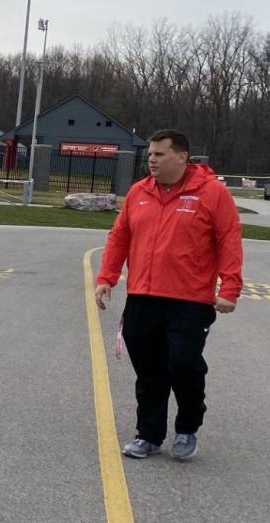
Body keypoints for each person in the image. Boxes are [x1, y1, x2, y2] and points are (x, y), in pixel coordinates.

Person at [95, 129, 243, 461]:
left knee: (183, 363)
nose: (152, 159)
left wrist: (230, 288)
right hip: (143, 296)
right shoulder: (139, 192)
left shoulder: (212, 193)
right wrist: (106, 278)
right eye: (150, 154)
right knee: (149, 371)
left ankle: (188, 427)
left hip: (190, 301)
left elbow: (229, 240)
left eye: (160, 154)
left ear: (182, 157)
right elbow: (119, 237)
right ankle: (148, 434)